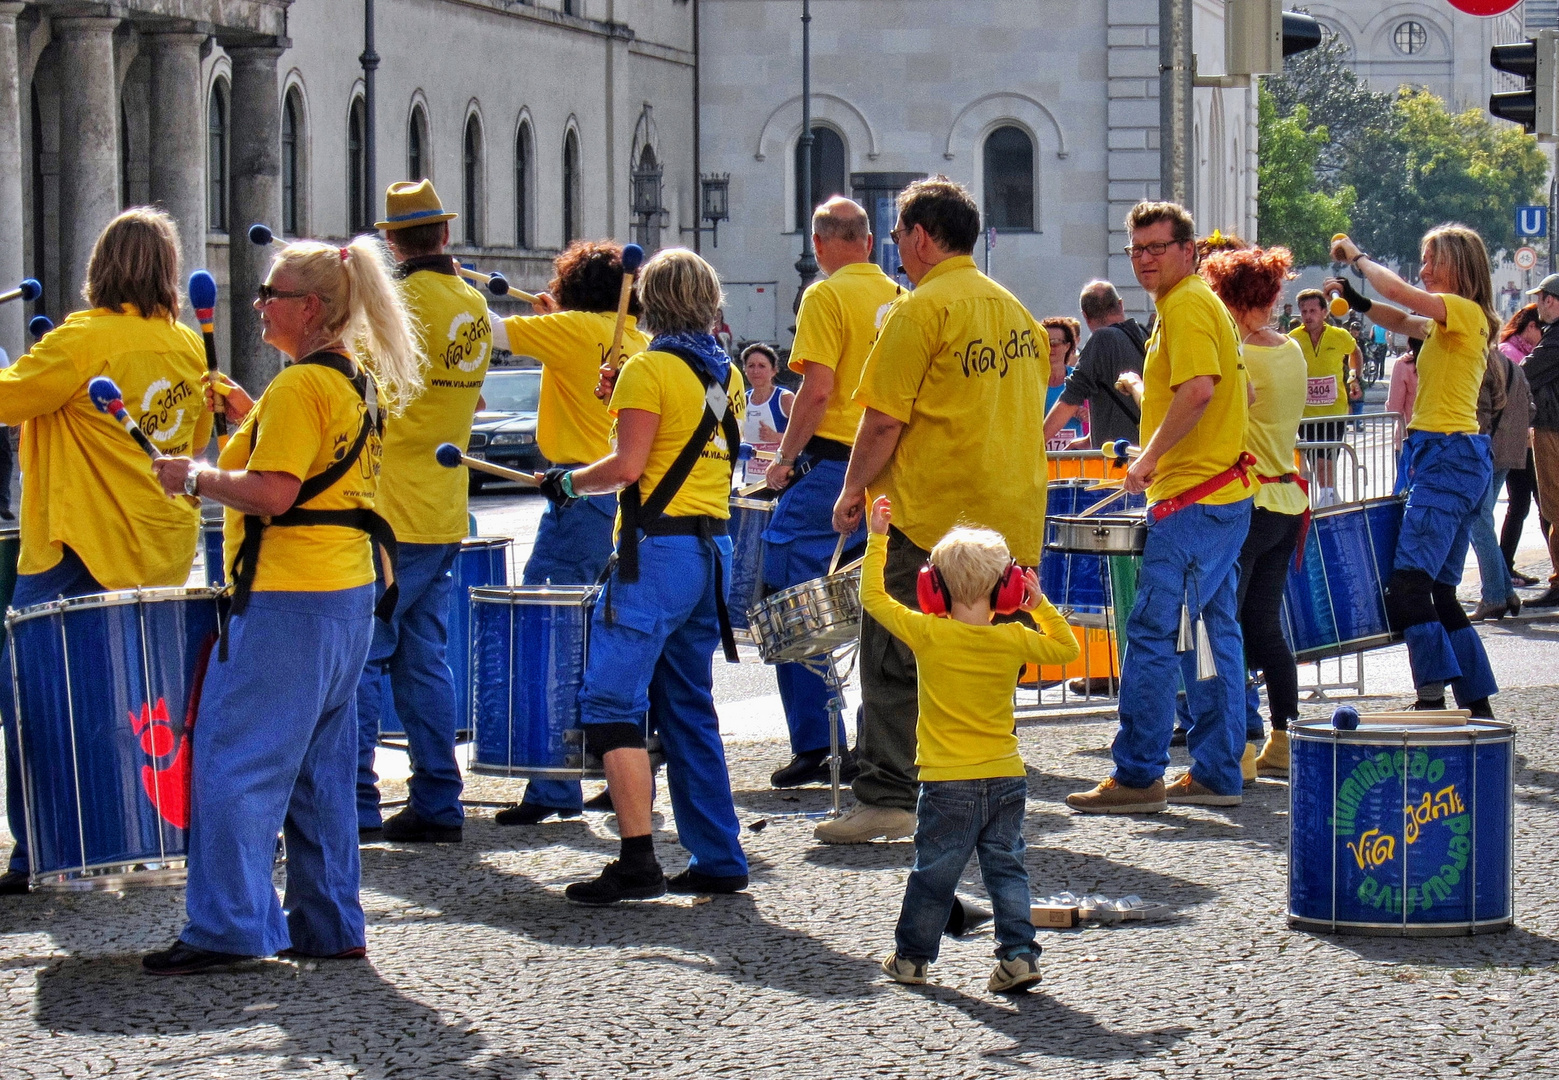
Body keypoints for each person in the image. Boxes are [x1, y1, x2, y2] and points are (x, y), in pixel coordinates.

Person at [143, 234, 425, 972]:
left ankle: (229, 927)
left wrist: (195, 477)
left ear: (309, 307)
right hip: (346, 595)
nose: (259, 305)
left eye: (270, 295)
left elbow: (275, 492)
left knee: (235, 762)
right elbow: (308, 466)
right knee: (319, 774)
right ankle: (329, 924)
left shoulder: (301, 388)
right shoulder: (348, 379)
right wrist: (249, 419)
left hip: (289, 598)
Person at [823, 176, 1048, 844]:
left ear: (921, 236)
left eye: (896, 233)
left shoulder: (918, 310)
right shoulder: (1018, 313)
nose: (895, 245)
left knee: (894, 655)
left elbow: (883, 421)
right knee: (980, 663)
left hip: (929, 518)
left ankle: (890, 794)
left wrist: (851, 491)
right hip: (1005, 515)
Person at [0, 207, 211, 895]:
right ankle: (139, 838)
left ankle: (49, 851)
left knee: (36, 702)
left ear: (101, 267)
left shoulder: (83, 339)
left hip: (80, 545)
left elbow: (7, 401)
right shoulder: (185, 345)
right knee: (137, 704)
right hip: (159, 545)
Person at [546, 247, 749, 904]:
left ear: (646, 304)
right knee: (688, 709)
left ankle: (636, 859)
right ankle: (718, 856)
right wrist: (625, 390)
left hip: (654, 555)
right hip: (709, 550)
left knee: (608, 700)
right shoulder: (722, 376)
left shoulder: (649, 369)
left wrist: (567, 483)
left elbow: (627, 467)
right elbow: (677, 434)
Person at [1067, 200, 1252, 814]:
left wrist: (1147, 459)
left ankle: (1139, 773)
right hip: (1215, 496)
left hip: (1195, 503)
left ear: (1188, 249)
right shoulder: (1194, 306)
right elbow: (1223, 390)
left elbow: (1201, 391)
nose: (1145, 259)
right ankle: (1219, 771)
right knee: (1211, 635)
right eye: (1136, 249)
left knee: (1151, 634)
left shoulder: (1189, 305)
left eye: (1156, 247)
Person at [865, 496, 1078, 994]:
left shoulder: (928, 634)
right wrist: (1039, 603)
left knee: (935, 874)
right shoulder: (1013, 639)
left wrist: (878, 540)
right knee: (1006, 867)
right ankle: (1019, 955)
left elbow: (873, 599)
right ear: (1006, 588)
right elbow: (1067, 647)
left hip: (946, 783)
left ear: (931, 588)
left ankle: (912, 959)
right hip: (1007, 776)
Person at [489, 240, 652, 824]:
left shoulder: (576, 329)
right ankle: (623, 772)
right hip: (627, 504)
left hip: (578, 499)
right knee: (612, 641)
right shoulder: (634, 338)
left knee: (550, 635)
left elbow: (487, 331)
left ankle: (553, 786)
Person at [352, 181, 493, 844]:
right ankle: (438, 797)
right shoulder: (468, 302)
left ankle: (353, 800)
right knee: (423, 661)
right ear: (444, 234)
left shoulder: (395, 301)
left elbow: (352, 389)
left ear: (392, 241)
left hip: (388, 509)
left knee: (361, 659)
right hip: (443, 507)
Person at [1324, 227, 1498, 715]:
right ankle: (1477, 707)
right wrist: (1358, 298)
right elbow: (1398, 314)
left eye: (1430, 261)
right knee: (1439, 591)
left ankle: (1431, 701)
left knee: (1408, 589)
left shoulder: (1463, 311)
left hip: (1446, 456)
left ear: (1458, 267)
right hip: (1450, 458)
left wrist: (1357, 257)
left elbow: (1401, 295)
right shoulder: (1451, 322)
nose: (1423, 270)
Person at [763, 196, 899, 788]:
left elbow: (816, 391)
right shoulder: (899, 297)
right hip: (889, 468)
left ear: (819, 246)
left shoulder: (824, 295)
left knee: (787, 598)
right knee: (878, 600)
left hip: (831, 469)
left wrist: (785, 459)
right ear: (868, 242)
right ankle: (877, 734)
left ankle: (818, 742)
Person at [1200, 244, 1307, 779]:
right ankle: (1285, 738)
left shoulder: (1240, 358)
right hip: (1288, 502)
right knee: (1263, 625)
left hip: (1249, 502)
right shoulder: (1291, 350)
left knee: (1223, 627)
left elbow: (1212, 409)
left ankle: (1238, 746)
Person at [1466, 310, 1534, 622]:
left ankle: (1495, 594)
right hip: (1508, 451)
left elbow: (1480, 412)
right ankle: (1504, 591)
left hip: (1487, 451)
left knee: (1477, 521)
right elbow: (1529, 407)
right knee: (1482, 520)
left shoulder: (1482, 363)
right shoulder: (1509, 363)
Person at [1043, 280, 1147, 449]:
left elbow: (1070, 399)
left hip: (1120, 461)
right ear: (1120, 305)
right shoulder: (1143, 335)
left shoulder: (1101, 340)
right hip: (1150, 453)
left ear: (1085, 315)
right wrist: (1082, 443)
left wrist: (1035, 447)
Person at [1290, 288, 1362, 506]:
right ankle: (1328, 498)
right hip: (1307, 413)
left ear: (1324, 312)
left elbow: (1355, 352)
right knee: (1315, 460)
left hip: (1334, 411)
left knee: (1327, 458)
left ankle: (1328, 499)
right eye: (1304, 312)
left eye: (1313, 310)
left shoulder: (1339, 336)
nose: (1308, 316)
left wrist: (1354, 378)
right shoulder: (1293, 339)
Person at [1517, 274, 1559, 608]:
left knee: (1555, 507)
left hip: (1552, 429)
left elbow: (1524, 372)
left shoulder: (1555, 339)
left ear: (1552, 300)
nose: (1539, 304)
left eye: (1542, 297)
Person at [1497, 304, 1546, 588]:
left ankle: (1506, 566)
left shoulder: (1522, 352)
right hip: (1516, 441)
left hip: (1524, 440)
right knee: (1526, 504)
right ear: (1530, 327)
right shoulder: (1510, 353)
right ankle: (1504, 568)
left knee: (1525, 505)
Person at [739, 342, 792, 484]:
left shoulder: (784, 398)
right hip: (750, 482)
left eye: (762, 366)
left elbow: (807, 435)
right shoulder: (743, 400)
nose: (756, 371)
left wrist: (776, 436)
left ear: (774, 370)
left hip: (778, 481)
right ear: (744, 370)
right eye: (751, 366)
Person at [1041, 316, 1086, 450]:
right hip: (1040, 458)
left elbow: (1098, 418)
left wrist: (1087, 416)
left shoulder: (1080, 379)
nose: (1050, 347)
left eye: (1055, 342)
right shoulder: (1029, 381)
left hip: (1073, 459)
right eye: (1045, 342)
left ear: (1067, 346)